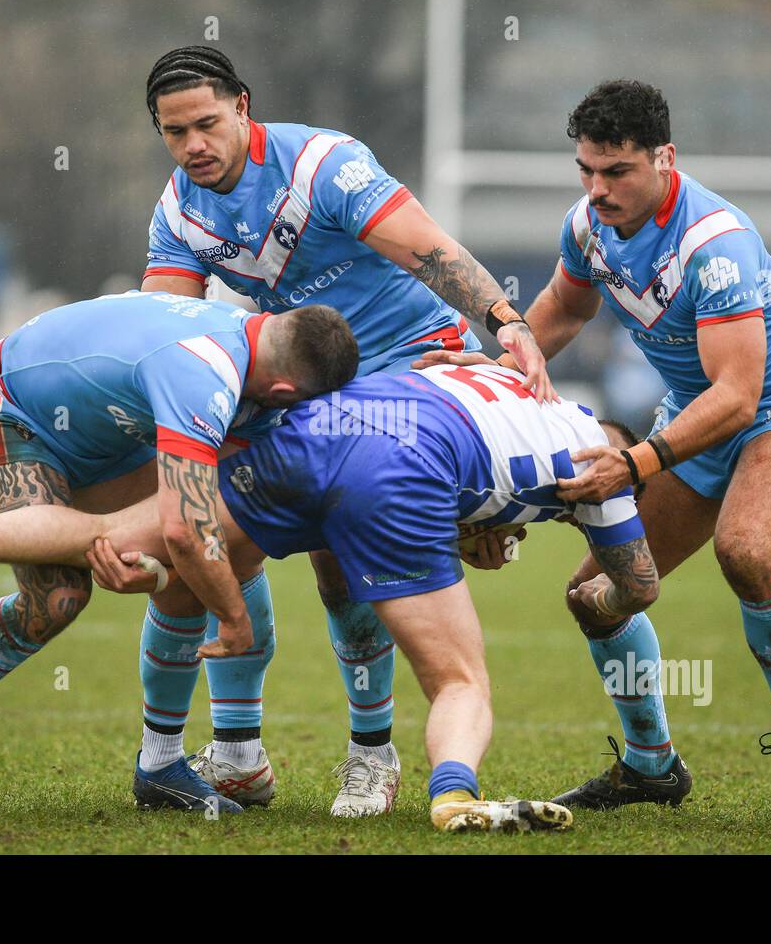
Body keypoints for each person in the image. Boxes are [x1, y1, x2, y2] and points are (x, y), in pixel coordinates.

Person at [0, 363, 659, 832]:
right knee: (460, 680)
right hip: (399, 471)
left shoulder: (506, 378)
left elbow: (444, 421)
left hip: (320, 431)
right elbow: (639, 582)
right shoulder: (602, 462)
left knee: (121, 531)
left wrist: (472, 523)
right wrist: (597, 592)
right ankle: (452, 793)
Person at [132, 45, 554, 815]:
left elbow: (429, 249)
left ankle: (372, 753)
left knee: (340, 551)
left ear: (243, 108)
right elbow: (170, 327)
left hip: (408, 363)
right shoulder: (177, 212)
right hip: (306, 379)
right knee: (216, 534)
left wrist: (505, 320)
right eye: (174, 132)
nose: (193, 144)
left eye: (207, 123)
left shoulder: (324, 164)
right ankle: (235, 752)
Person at [421, 80, 771, 811]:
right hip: (696, 415)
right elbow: (563, 309)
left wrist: (633, 462)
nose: (598, 188)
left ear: (665, 160)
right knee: (596, 596)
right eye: (586, 170)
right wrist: (498, 367)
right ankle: (653, 767)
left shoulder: (715, 246)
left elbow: (740, 396)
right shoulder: (587, 226)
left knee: (746, 549)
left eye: (616, 171)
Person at [0, 290, 358, 815]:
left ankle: (160, 763)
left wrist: (146, 562)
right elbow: (184, 527)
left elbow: (199, 530)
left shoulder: (248, 354)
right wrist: (235, 620)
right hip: (11, 412)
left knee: (194, 561)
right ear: (286, 388)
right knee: (59, 597)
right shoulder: (206, 374)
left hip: (106, 438)